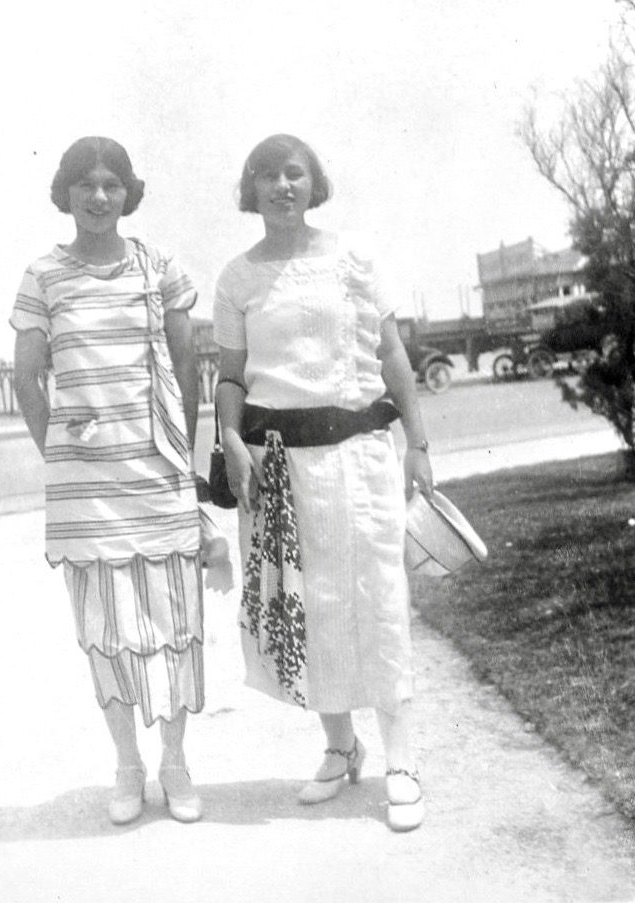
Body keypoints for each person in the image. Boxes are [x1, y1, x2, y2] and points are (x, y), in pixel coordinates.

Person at [213, 134, 433, 832]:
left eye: (294, 172)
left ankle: (401, 759)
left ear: (313, 182)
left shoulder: (354, 257)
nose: (282, 185)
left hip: (360, 453)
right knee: (309, 607)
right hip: (279, 464)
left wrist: (418, 442)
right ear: (250, 189)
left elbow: (392, 353)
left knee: (376, 596)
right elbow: (229, 375)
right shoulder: (237, 277)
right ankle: (340, 746)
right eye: (268, 175)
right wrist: (226, 439)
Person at [11, 136, 205, 825]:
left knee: (180, 622)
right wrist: (59, 456)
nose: (98, 196)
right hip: (85, 487)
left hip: (157, 469)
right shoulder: (42, 276)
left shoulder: (159, 267)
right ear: (64, 193)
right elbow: (26, 379)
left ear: (128, 193)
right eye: (84, 184)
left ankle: (175, 762)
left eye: (111, 184)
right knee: (104, 630)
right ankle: (127, 764)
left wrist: (184, 453)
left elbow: (188, 367)